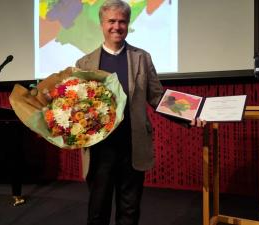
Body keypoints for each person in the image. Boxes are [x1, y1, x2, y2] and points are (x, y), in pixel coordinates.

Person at [75, 1, 205, 224]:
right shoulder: (84, 63)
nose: (117, 26)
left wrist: (189, 114)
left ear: (128, 24)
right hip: (100, 150)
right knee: (98, 212)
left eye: (122, 21)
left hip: (132, 146)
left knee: (130, 211)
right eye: (112, 21)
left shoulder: (141, 58)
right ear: (101, 25)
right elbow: (77, 106)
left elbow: (158, 97)